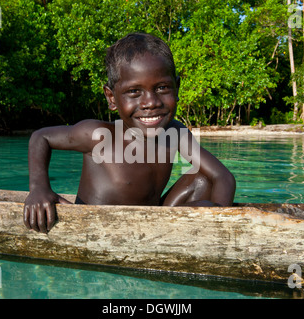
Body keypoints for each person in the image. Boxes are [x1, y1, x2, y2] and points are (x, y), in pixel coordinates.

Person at [24, 33, 236, 233]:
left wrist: (220, 223)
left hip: (151, 225)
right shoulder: (97, 135)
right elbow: (41, 137)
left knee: (203, 179)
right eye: (134, 91)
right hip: (97, 227)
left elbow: (223, 177)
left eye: (162, 88)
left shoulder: (176, 133)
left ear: (177, 87)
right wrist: (39, 188)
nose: (151, 102)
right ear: (111, 98)